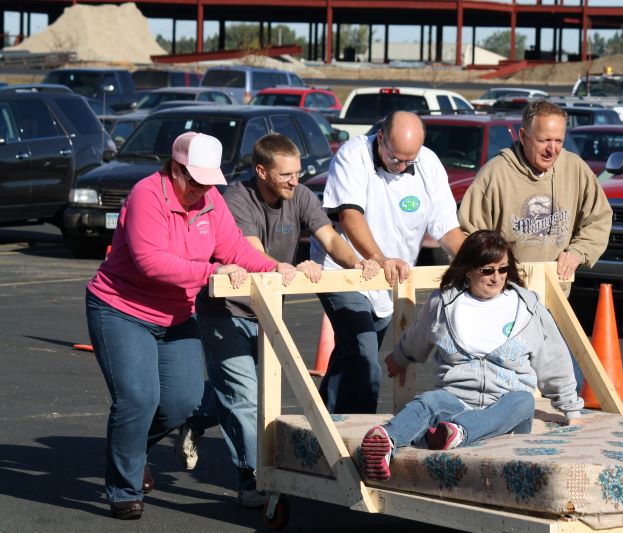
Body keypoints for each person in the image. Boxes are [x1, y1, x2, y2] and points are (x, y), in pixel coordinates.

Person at [85, 132, 283, 520]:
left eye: (209, 181)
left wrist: (277, 267)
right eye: (194, 180)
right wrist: (213, 271)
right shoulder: (147, 195)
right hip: (120, 309)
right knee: (138, 399)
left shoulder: (211, 202)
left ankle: (133, 449)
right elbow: (151, 262)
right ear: (174, 169)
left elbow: (236, 250)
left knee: (184, 400)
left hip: (175, 315)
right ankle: (123, 489)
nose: (202, 189)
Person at [178, 133, 381, 507]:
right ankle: (254, 478)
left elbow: (330, 238)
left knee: (245, 391)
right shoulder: (237, 199)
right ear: (261, 171)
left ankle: (194, 417)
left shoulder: (300, 196)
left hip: (266, 309)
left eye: (298, 172)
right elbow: (249, 248)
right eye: (286, 174)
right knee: (245, 395)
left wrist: (361, 263)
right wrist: (282, 268)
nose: (295, 180)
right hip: (225, 310)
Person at [360, 230, 584, 481]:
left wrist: (571, 411)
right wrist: (399, 358)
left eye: (503, 269)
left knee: (524, 401)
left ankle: (460, 433)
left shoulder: (527, 307)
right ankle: (385, 440)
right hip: (456, 401)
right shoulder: (444, 303)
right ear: (467, 269)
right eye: (487, 270)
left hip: (505, 409)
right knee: (429, 401)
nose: (497, 277)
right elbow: (417, 337)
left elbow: (554, 359)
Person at [312, 110, 465, 414]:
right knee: (363, 357)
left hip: (389, 281)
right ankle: (359, 441)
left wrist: (475, 259)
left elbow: (447, 229)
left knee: (349, 359)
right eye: (395, 158)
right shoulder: (352, 155)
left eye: (410, 160)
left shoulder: (429, 164)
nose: (402, 166)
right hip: (347, 271)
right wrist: (378, 258)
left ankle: (318, 429)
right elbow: (349, 214)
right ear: (380, 138)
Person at [458, 100, 612, 284]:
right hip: (506, 297)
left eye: (559, 141)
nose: (552, 150)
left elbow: (599, 219)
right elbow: (468, 235)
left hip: (556, 292)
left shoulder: (575, 168)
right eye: (544, 140)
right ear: (523, 136)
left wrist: (577, 252)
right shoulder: (494, 174)